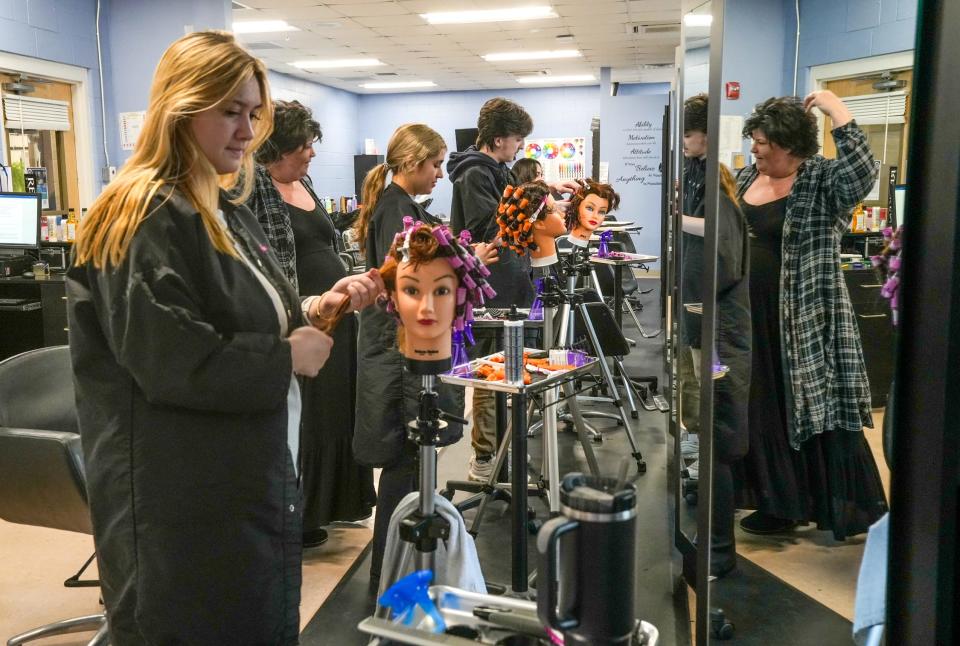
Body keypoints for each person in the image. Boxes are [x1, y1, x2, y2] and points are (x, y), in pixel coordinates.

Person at [66, 31, 381, 644]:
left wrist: (316, 311)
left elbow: (249, 311)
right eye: (230, 112)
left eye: (253, 114)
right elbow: (172, 359)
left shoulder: (219, 204)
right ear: (181, 108)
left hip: (241, 481)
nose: (247, 131)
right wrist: (284, 356)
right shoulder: (142, 216)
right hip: (178, 497)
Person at [734, 92, 888, 539]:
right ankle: (778, 503)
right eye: (754, 140)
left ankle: (837, 508)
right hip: (750, 316)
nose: (755, 149)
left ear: (790, 144)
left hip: (807, 316)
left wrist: (834, 107)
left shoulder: (823, 180)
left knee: (809, 407)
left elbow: (862, 169)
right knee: (762, 407)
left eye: (763, 141)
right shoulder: (746, 177)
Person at [246, 99, 376, 549]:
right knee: (308, 419)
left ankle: (337, 503)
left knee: (337, 412)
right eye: (303, 146)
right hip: (303, 318)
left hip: (336, 316)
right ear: (276, 149)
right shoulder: (255, 192)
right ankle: (302, 512)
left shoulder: (306, 183)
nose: (312, 153)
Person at [351, 123, 465, 581]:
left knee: (413, 461)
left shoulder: (399, 206)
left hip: (398, 345)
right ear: (413, 161)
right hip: (399, 352)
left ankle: (397, 568)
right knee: (405, 460)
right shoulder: (397, 210)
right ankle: (391, 572)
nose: (440, 174)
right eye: (436, 164)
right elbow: (407, 284)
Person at [447, 97, 578, 481]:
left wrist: (542, 191)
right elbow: (489, 227)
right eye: (518, 138)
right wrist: (534, 210)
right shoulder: (475, 174)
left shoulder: (496, 170)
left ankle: (504, 448)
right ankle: (485, 456)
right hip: (491, 286)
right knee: (490, 372)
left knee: (511, 365)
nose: (520, 146)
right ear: (499, 138)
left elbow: (511, 207)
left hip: (512, 281)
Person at [682, 163, 752, 578]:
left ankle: (720, 553)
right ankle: (716, 547)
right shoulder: (718, 208)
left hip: (720, 337)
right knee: (713, 438)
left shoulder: (721, 211)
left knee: (719, 440)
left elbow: (720, 268)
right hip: (707, 331)